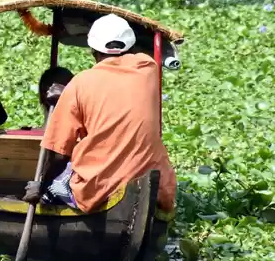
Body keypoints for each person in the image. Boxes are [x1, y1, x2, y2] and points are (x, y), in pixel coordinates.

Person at [24, 14, 176, 212]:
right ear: (130, 48)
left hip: (100, 187)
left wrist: (40, 186)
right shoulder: (148, 69)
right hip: (154, 183)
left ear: (93, 51)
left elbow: (59, 155)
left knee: (54, 187)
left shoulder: (79, 85)